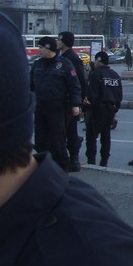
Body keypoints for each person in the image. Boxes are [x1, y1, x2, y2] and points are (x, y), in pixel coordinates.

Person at [0, 5, 133, 266]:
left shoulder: (92, 261)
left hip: (84, 110)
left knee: (97, 137)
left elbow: (82, 86)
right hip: (102, 109)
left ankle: (96, 159)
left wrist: (81, 103)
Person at [30, 36, 82, 172]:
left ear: (49, 48)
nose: (38, 50)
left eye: (41, 47)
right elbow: (30, 86)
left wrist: (75, 104)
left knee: (57, 140)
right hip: (40, 107)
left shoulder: (64, 64)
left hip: (58, 108)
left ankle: (61, 169)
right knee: (40, 140)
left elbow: (74, 86)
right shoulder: (37, 64)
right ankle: (43, 169)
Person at [84, 51, 123, 167]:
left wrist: (87, 106)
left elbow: (92, 93)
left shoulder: (95, 74)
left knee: (91, 136)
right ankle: (104, 160)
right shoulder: (115, 75)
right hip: (110, 109)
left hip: (97, 109)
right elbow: (119, 94)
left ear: (99, 61)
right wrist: (115, 108)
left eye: (95, 60)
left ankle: (91, 160)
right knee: (106, 136)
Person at [56, 31, 87, 172]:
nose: (57, 42)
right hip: (62, 100)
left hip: (70, 101)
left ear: (66, 42)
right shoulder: (62, 57)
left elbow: (81, 80)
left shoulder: (72, 58)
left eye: (59, 40)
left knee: (70, 131)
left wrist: (79, 102)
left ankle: (74, 159)